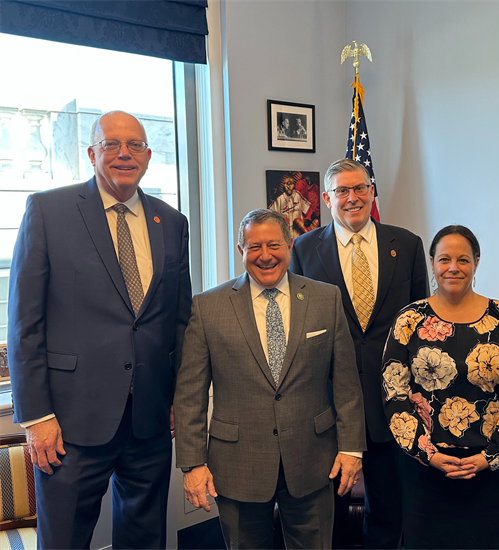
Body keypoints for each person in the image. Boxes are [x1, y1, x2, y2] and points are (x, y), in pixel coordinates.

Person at [8, 110, 192, 550]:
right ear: (92, 152)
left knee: (145, 538)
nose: (124, 153)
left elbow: (179, 320)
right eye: (112, 144)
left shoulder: (172, 222)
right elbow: (24, 322)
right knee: (66, 540)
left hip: (149, 420)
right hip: (69, 424)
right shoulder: (48, 210)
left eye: (136, 145)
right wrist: (36, 417)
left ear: (148, 156)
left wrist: (178, 401)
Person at [174, 209, 366, 550]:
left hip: (313, 459)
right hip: (236, 464)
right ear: (241, 251)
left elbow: (348, 384)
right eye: (254, 247)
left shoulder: (326, 298)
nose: (265, 256)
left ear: (290, 246)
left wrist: (351, 449)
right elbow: (191, 394)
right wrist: (192, 464)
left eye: (274, 245)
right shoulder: (208, 307)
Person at [290, 158, 429, 550]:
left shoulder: (407, 244)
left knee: (387, 510)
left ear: (371, 192)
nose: (353, 198)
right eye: (342, 191)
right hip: (328, 404)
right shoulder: (302, 249)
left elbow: (420, 328)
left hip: (392, 405)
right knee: (328, 510)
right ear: (327, 198)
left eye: (360, 188)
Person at [382, 225, 499, 550]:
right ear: (432, 263)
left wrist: (491, 456)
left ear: (476, 262)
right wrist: (428, 454)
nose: (453, 267)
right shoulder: (408, 320)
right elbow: (393, 394)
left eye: (463, 260)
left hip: (490, 474)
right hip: (426, 473)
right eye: (444, 259)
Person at [269, 175, 311, 239]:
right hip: (285, 235)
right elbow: (270, 213)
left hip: (299, 234)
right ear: (283, 185)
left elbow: (307, 208)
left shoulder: (298, 195)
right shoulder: (279, 199)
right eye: (286, 184)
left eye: (291, 184)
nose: (288, 186)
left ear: (294, 185)